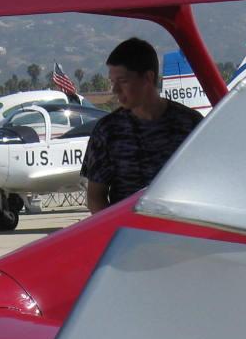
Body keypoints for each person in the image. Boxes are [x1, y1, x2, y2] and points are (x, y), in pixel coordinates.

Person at [82, 38, 201, 213]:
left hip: (181, 233)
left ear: (148, 78)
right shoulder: (107, 131)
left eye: (122, 81)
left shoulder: (190, 125)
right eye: (112, 82)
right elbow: (95, 197)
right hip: (128, 235)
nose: (115, 90)